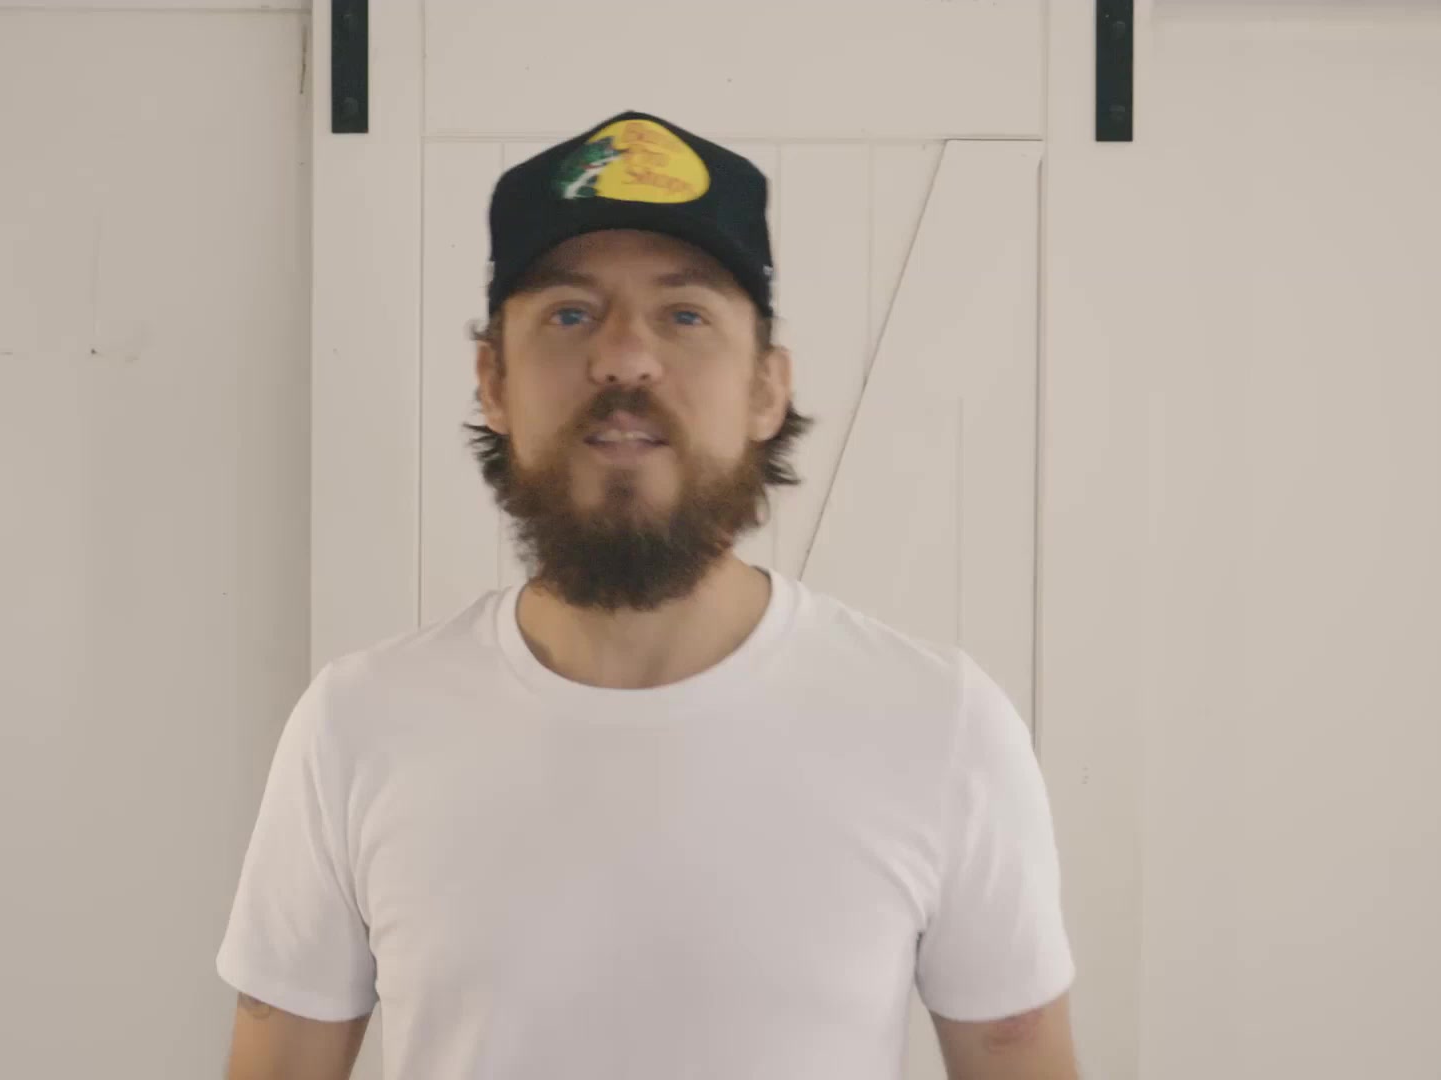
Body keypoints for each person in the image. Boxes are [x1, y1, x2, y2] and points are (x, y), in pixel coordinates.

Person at [217, 110, 1078, 1080]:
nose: (625, 358)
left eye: (685, 314)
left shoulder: (942, 725)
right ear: (492, 381)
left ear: (766, 389)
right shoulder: (357, 725)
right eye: (569, 314)